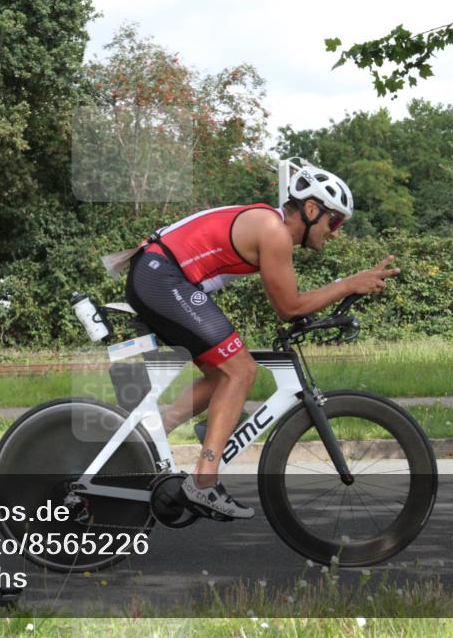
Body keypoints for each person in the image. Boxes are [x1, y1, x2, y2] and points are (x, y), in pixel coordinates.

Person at [122, 165, 400, 519]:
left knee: (224, 373)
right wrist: (348, 284)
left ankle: (153, 431)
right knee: (241, 371)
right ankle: (203, 482)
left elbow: (288, 304)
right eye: (335, 222)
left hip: (160, 275)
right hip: (161, 277)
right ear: (312, 210)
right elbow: (289, 307)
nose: (336, 233)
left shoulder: (271, 228)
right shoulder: (274, 231)